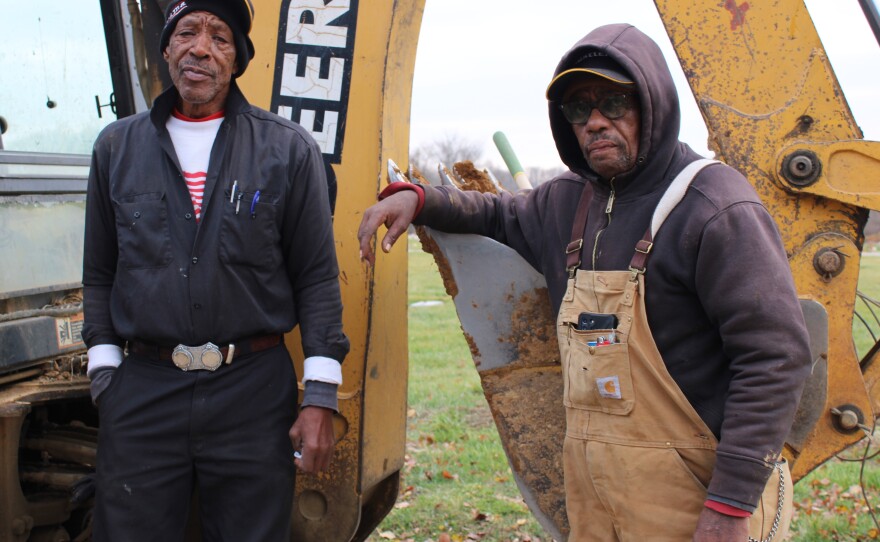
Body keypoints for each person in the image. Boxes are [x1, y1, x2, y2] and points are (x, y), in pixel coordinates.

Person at [358, 23, 811, 541]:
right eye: (579, 109)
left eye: (613, 103)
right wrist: (418, 198)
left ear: (653, 105)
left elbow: (775, 358)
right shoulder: (567, 202)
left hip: (697, 502)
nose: (594, 122)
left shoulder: (714, 207)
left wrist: (731, 505)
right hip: (596, 500)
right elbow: (498, 214)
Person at [82, 1, 349, 539]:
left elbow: (317, 278)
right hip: (143, 392)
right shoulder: (116, 148)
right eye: (187, 32)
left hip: (252, 392)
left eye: (219, 37)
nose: (200, 47)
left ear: (238, 58)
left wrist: (319, 395)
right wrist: (106, 377)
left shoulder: (288, 150)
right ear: (166, 50)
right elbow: (99, 273)